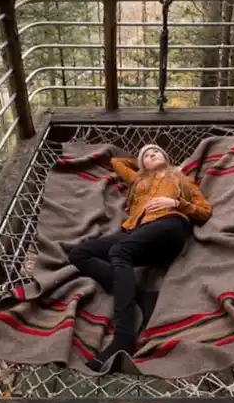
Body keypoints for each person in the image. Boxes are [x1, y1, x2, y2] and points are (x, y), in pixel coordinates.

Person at [68, 143, 213, 372]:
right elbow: (117, 163)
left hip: (169, 226)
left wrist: (176, 203)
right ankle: (142, 296)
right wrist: (144, 165)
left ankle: (124, 337)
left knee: (119, 252)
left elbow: (204, 210)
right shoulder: (138, 180)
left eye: (157, 151)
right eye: (146, 155)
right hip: (136, 234)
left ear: (166, 156)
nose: (152, 154)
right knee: (79, 253)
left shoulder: (181, 179)